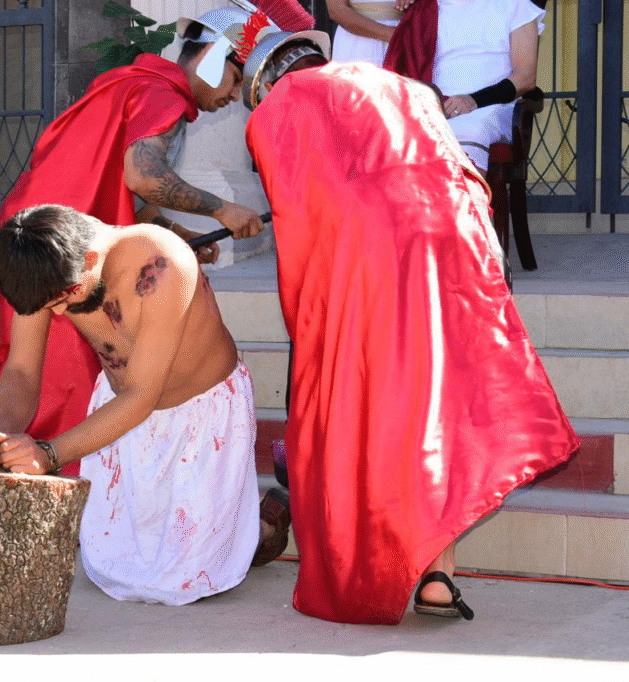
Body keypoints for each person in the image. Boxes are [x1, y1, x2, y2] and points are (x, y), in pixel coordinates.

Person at [240, 30, 579, 624]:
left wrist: (314, 315)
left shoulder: (282, 105)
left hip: (371, 258)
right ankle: (438, 575)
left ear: (270, 81)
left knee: (370, 408)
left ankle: (372, 563)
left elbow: (300, 217)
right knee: (439, 401)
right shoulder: (401, 86)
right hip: (456, 237)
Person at [0, 7, 282, 473]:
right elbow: (142, 175)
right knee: (66, 378)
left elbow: (117, 186)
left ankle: (21, 455)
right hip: (61, 253)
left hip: (35, 236)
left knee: (49, 373)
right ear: (214, 57)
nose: (235, 95)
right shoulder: (160, 95)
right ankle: (35, 461)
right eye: (236, 79)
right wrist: (222, 209)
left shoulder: (131, 83)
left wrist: (177, 233)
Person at [0, 204, 291, 605]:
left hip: (200, 416)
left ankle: (264, 526)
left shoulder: (162, 263)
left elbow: (141, 395)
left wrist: (48, 454)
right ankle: (231, 529)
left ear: (89, 259)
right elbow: (21, 370)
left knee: (184, 581)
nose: (60, 312)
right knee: (111, 567)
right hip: (120, 411)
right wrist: (4, 441)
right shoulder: (42, 269)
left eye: (64, 299)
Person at [383, 0, 545, 173]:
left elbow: (525, 78)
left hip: (492, 107)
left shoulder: (517, 5)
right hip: (437, 105)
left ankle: (462, 190)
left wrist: (473, 101)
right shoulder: (428, 8)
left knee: (468, 129)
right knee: (392, 132)